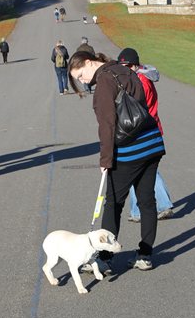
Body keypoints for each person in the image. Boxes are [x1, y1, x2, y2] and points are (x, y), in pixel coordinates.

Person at [68, 50, 164, 272]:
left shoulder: (103, 81)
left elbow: (107, 125)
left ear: (90, 62)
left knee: (113, 204)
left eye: (81, 75)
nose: (83, 81)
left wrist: (106, 160)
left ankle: (104, 258)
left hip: (129, 151)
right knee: (147, 201)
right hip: (151, 143)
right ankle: (145, 255)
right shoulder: (125, 70)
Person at [117, 48, 174, 222]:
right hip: (147, 129)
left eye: (127, 66)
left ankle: (141, 210)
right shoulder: (140, 78)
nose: (124, 69)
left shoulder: (140, 80)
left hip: (143, 130)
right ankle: (155, 206)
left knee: (138, 170)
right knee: (147, 171)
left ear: (134, 65)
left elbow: (138, 107)